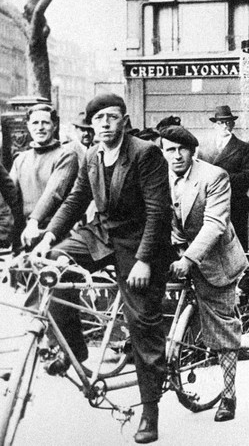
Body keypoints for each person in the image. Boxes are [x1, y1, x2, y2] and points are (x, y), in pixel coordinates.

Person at [33, 93, 172, 444]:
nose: (105, 124)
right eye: (99, 119)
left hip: (141, 241)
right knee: (51, 266)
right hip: (102, 234)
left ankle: (150, 411)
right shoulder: (92, 155)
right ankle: (75, 349)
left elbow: (158, 213)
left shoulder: (145, 153)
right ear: (91, 125)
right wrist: (49, 237)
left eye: (112, 117)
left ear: (123, 120)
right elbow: (76, 199)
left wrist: (143, 259)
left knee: (141, 322)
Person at [158, 125, 248, 423]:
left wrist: (189, 258)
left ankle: (228, 395)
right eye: (169, 150)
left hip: (215, 261)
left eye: (181, 149)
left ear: (192, 150)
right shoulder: (161, 177)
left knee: (223, 330)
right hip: (180, 254)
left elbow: (215, 225)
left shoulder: (213, 176)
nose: (176, 156)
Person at [11, 104, 80, 249]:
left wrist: (33, 222)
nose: (40, 127)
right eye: (35, 123)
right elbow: (9, 197)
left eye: (45, 123)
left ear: (54, 126)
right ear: (28, 126)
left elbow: (54, 192)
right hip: (26, 233)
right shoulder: (20, 159)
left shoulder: (66, 155)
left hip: (55, 232)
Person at [200, 105, 249, 251]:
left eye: (228, 122)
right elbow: (199, 174)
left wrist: (220, 177)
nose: (224, 126)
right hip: (209, 201)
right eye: (220, 123)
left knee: (235, 241)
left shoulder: (244, 148)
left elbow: (248, 176)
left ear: (233, 124)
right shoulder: (204, 148)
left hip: (234, 202)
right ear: (214, 126)